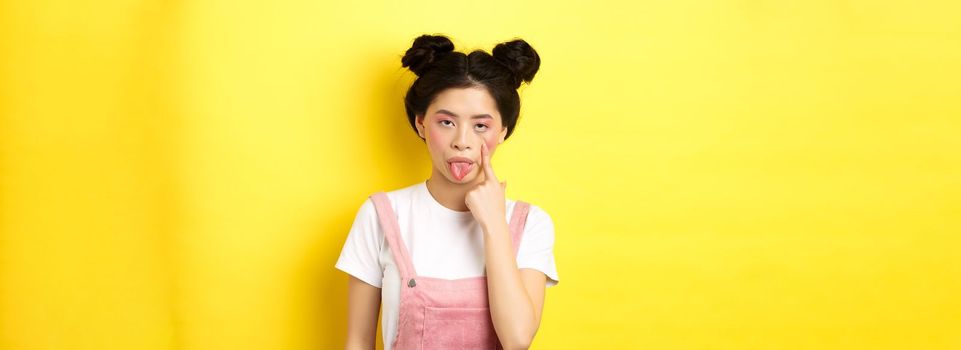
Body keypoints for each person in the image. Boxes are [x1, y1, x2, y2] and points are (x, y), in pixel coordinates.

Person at [335, 34, 559, 350]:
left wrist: (494, 225)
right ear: (421, 124)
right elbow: (358, 341)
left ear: (503, 131)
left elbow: (518, 339)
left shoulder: (530, 223)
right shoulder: (382, 214)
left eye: (481, 126)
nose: (462, 141)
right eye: (446, 122)